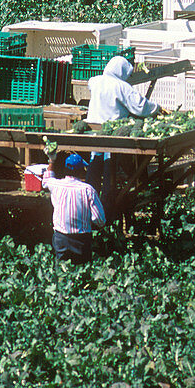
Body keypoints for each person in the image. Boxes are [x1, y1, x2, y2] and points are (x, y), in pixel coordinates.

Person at [85, 55, 162, 201]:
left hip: (94, 131)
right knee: (109, 165)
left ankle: (89, 197)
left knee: (94, 162)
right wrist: (156, 107)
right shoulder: (121, 87)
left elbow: (90, 84)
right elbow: (140, 107)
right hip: (113, 134)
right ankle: (107, 201)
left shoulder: (95, 81)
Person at [43, 153, 106, 264]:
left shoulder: (56, 185)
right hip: (81, 240)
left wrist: (52, 160)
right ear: (81, 171)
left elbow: (47, 179)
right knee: (81, 272)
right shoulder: (88, 190)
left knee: (62, 272)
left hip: (61, 237)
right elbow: (99, 219)